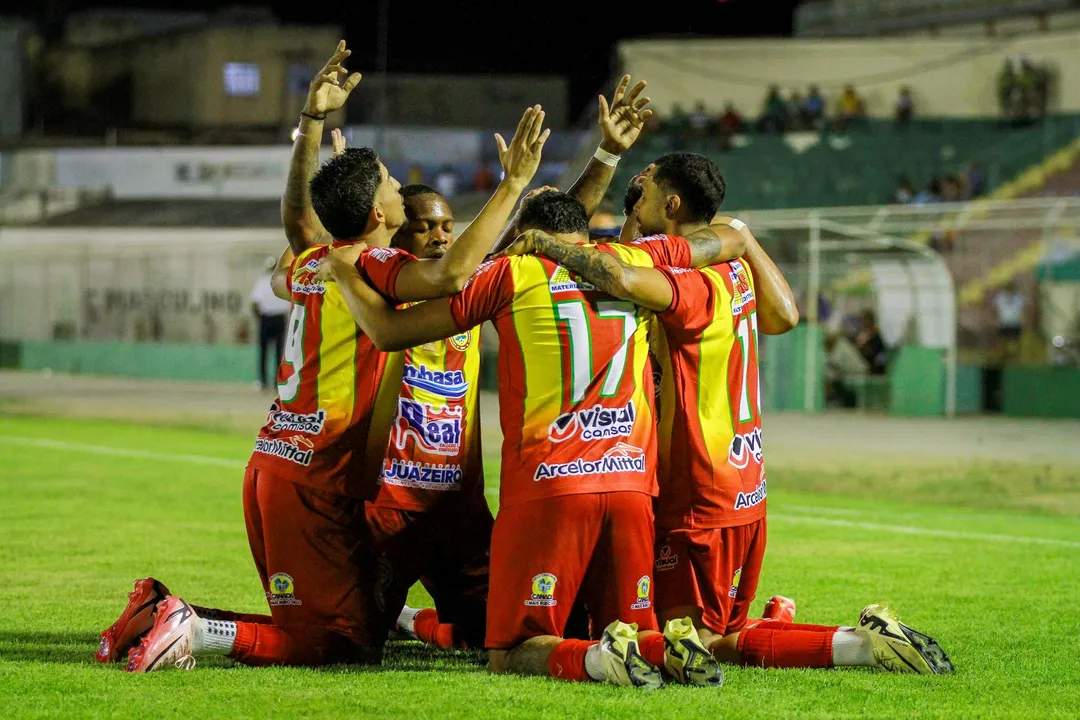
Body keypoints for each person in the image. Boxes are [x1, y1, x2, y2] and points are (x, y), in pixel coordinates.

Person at [97, 42, 551, 672]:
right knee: (341, 647)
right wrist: (514, 185)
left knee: (338, 630)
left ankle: (162, 613)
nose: (399, 187)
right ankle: (195, 630)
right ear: (378, 215)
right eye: (392, 187)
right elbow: (450, 276)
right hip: (315, 479)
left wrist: (311, 125)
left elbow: (295, 218)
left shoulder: (314, 261)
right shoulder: (367, 261)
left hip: (278, 463)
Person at [500, 153, 954, 677]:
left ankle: (853, 645)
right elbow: (784, 313)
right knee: (721, 629)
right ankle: (799, 625)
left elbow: (622, 276)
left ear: (671, 204)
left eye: (645, 196)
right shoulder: (734, 270)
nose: (637, 201)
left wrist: (544, 241)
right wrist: (739, 237)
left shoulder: (684, 284)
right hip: (747, 482)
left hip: (697, 489)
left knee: (700, 641)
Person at [321, 187, 750, 687]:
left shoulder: (511, 272)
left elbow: (392, 332)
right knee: (629, 628)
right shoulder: (633, 257)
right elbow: (732, 239)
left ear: (529, 236)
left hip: (550, 485)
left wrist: (345, 272)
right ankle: (669, 644)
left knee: (508, 651)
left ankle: (597, 663)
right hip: (632, 485)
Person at [250, 256, 291, 390]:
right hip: (279, 318)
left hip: (266, 318)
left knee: (264, 351)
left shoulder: (262, 282)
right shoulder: (284, 281)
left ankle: (262, 381)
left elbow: (255, 303)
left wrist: (260, 319)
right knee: (279, 352)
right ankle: (276, 382)